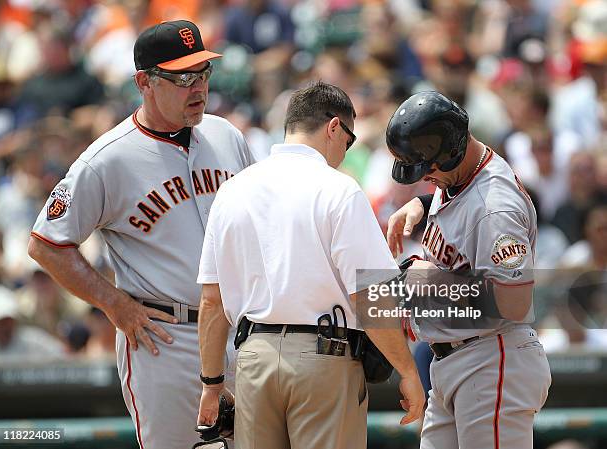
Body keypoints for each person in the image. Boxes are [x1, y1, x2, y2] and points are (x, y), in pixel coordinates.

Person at [27, 19, 254, 449]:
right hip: (168, 340)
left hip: (241, 329)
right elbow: (46, 244)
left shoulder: (226, 136)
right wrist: (114, 303)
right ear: (144, 82)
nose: (198, 88)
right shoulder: (107, 160)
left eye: (203, 73)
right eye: (182, 77)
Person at [195, 81, 425, 449]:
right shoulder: (338, 188)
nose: (345, 153)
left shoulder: (233, 190)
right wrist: (409, 371)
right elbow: (370, 295)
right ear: (334, 127)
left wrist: (211, 383)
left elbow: (211, 299)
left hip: (253, 358)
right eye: (348, 142)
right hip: (324, 358)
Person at [385, 91, 551, 449]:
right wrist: (423, 202)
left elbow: (514, 303)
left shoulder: (496, 208)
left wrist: (432, 282)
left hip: (492, 361)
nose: (426, 177)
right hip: (455, 361)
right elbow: (464, 202)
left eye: (428, 168)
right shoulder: (462, 174)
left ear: (450, 151)